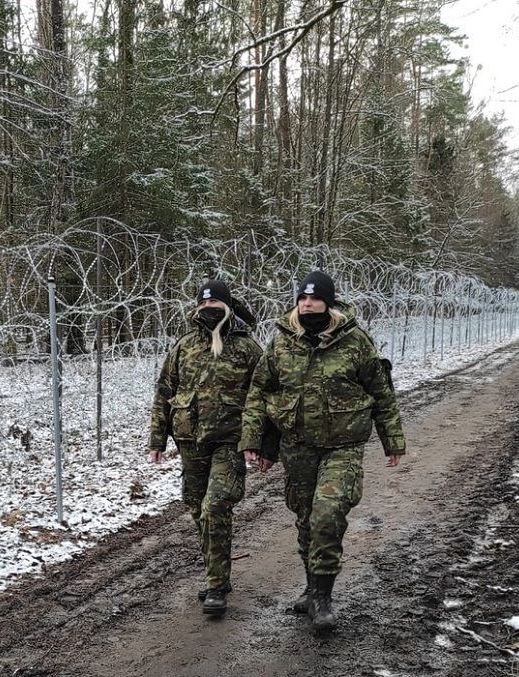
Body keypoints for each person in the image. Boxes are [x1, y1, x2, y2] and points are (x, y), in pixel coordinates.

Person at [239, 270, 405, 633]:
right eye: (302, 298)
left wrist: (392, 439)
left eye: (314, 298)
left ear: (329, 302)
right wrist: (253, 440)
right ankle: (311, 587)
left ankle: (322, 598)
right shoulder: (281, 342)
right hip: (296, 446)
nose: (307, 303)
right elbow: (259, 393)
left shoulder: (354, 341)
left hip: (342, 446)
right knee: (305, 519)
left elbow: (381, 392)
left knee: (327, 514)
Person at [148, 280, 261, 616]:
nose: (209, 310)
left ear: (228, 307)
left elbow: (262, 398)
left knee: (215, 506)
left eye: (216, 305)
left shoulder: (246, 349)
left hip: (230, 442)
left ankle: (214, 586)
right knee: (197, 508)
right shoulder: (183, 347)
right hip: (190, 442)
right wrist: (157, 439)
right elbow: (164, 393)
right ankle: (220, 573)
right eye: (204, 305)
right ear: (196, 308)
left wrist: (258, 442)